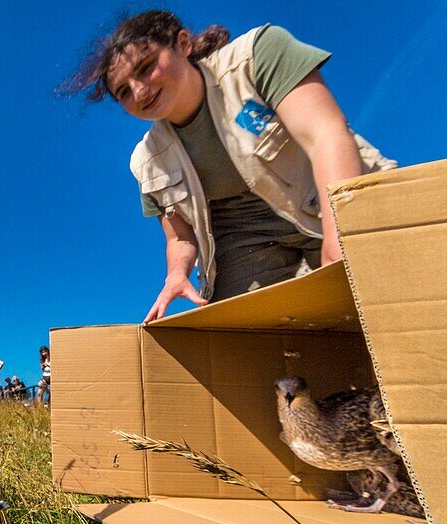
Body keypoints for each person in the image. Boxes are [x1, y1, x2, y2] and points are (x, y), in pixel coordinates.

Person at [64, 11, 395, 321]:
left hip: (326, 200)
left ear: (182, 44)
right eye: (123, 91)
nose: (138, 90)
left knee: (382, 297)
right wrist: (176, 275)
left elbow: (326, 136)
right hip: (243, 238)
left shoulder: (257, 55)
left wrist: (341, 236)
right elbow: (180, 237)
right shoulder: (145, 160)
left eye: (146, 66)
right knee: (247, 330)